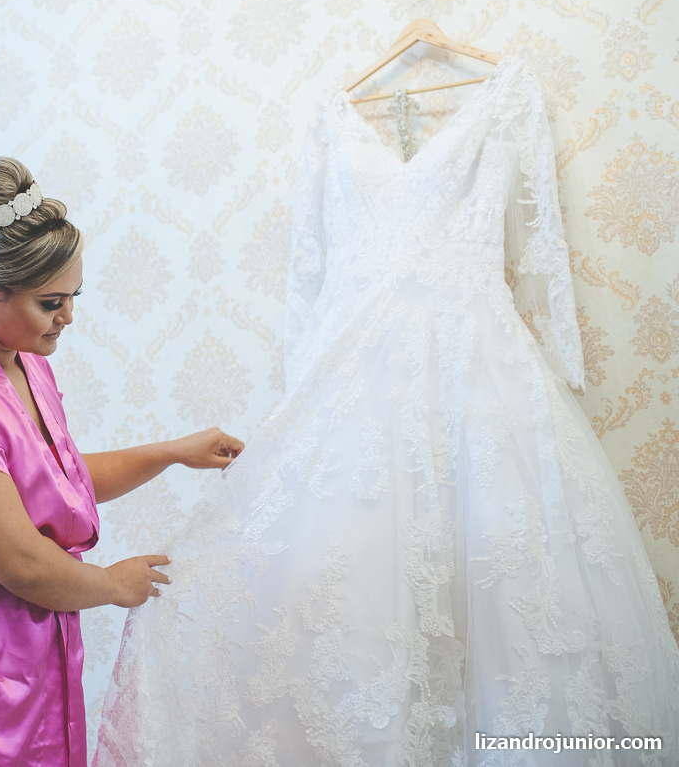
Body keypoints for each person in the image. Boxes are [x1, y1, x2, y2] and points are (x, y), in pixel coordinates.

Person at [94, 57, 679, 765]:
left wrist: (562, 361)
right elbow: (306, 273)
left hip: (479, 382)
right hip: (350, 396)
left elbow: (543, 247)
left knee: (510, 605)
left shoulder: (509, 97)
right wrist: (300, 396)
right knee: (341, 615)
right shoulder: (328, 113)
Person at [0, 156, 244, 767]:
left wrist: (171, 453)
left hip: (24, 649)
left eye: (74, 296)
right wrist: (113, 585)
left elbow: (52, 484)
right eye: (51, 302)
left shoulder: (25, 359)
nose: (69, 317)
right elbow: (19, 559)